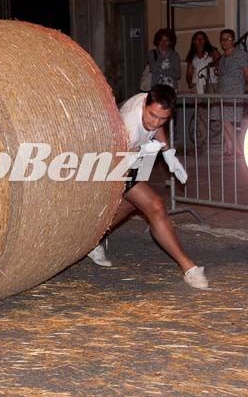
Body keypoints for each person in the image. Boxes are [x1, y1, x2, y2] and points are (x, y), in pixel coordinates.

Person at [87, 85, 208, 289]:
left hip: (130, 157)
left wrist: (168, 153)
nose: (156, 122)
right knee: (155, 206)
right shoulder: (129, 126)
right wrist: (142, 149)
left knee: (131, 204)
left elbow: (155, 127)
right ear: (144, 105)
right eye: (152, 115)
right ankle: (189, 268)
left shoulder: (152, 103)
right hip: (111, 160)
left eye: (163, 118)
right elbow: (115, 161)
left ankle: (92, 240)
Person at [216, 29, 248, 157]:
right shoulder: (223, 58)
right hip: (223, 93)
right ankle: (229, 149)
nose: (225, 42)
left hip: (235, 92)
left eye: (228, 39)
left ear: (233, 40)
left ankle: (238, 149)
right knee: (223, 121)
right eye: (223, 39)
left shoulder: (240, 54)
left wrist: (246, 87)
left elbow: (247, 73)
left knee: (227, 121)